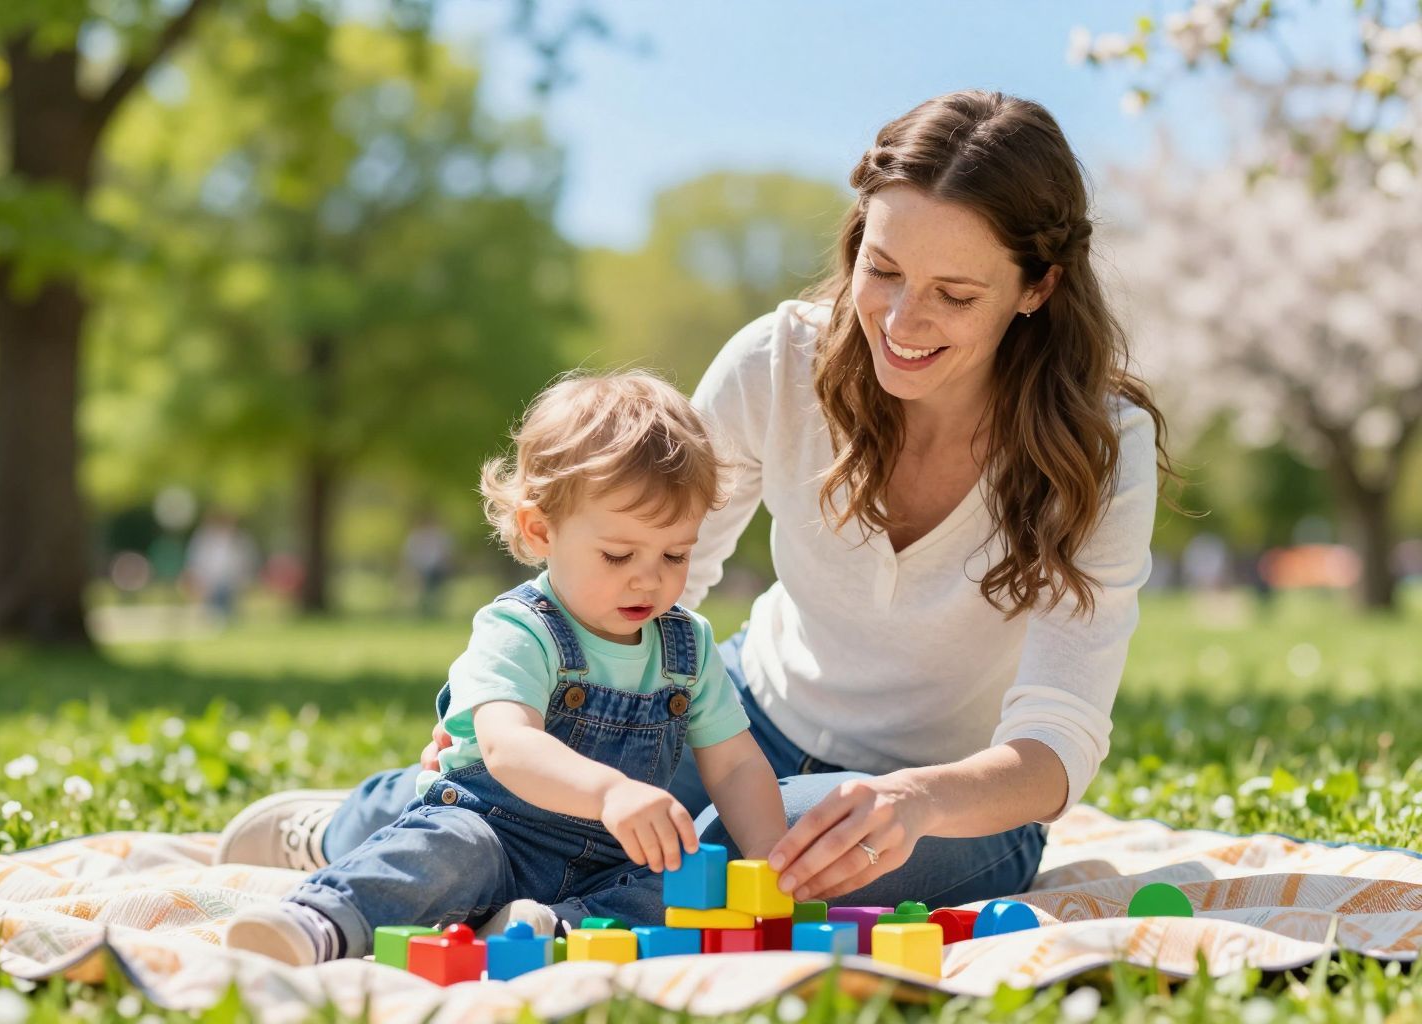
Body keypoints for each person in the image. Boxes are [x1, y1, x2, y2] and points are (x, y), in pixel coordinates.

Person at [217, 90, 1169, 921]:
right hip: (737, 717)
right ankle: (363, 823)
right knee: (573, 792)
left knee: (718, 855)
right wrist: (526, 707)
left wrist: (917, 802)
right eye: (882, 269)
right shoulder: (784, 360)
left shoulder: (1101, 444)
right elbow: (654, 560)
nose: (899, 322)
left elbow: (1056, 740)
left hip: (948, 807)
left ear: (1037, 288)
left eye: (954, 294)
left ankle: (496, 866)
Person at [223, 372, 787, 964]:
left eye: (676, 554)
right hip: (494, 834)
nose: (649, 578)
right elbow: (509, 747)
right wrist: (611, 791)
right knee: (443, 853)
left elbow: (737, 765)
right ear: (540, 529)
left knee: (689, 877)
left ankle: (553, 930)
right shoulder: (520, 628)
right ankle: (322, 919)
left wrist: (773, 859)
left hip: (613, 865)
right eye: (619, 555)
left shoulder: (686, 646)